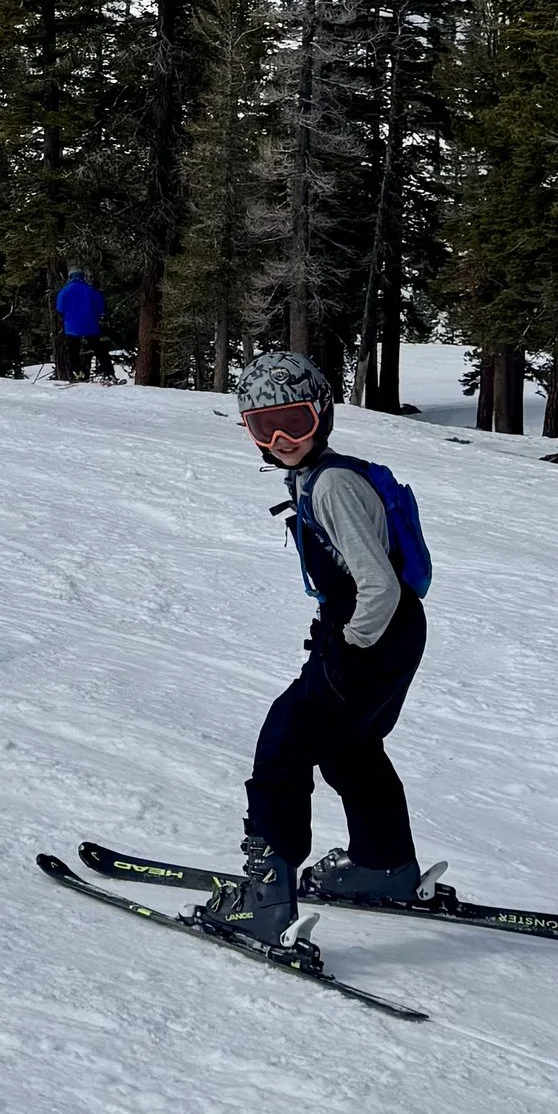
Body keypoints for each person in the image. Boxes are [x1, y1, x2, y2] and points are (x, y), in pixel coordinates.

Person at [193, 350, 430, 948]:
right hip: (392, 633)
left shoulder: (333, 486)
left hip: (369, 633)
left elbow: (376, 583)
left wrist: (349, 647)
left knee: (284, 744)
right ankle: (385, 867)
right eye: (262, 426)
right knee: (351, 747)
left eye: (294, 422)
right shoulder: (319, 476)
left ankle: (266, 899)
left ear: (320, 416)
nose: (280, 438)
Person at [53, 267, 106, 383]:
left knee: (73, 350)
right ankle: (108, 372)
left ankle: (77, 372)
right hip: (90, 324)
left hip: (72, 326)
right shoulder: (90, 290)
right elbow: (101, 307)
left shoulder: (65, 291)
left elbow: (60, 309)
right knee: (99, 349)